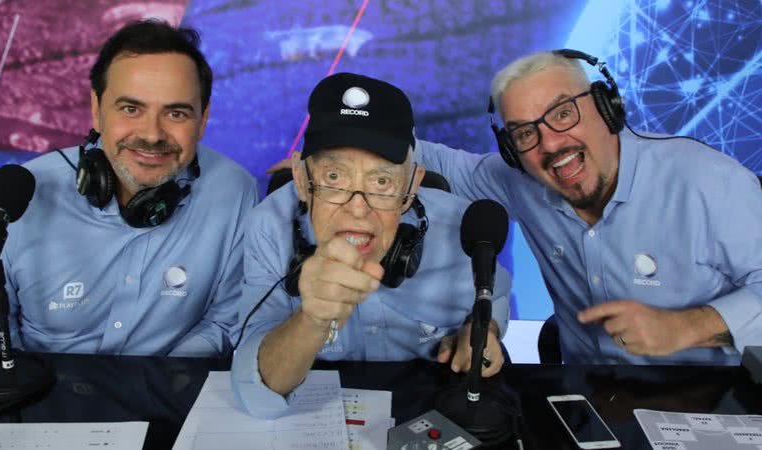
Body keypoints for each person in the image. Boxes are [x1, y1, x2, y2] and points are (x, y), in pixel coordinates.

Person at [416, 49, 762, 365]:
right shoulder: (522, 180)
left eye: (563, 113)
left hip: (706, 401)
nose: (550, 143)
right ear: (512, 151)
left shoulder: (710, 181)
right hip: (587, 401)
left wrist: (688, 326)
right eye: (524, 134)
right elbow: (427, 157)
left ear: (606, 107)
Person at [0, 20, 257, 357]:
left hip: (167, 397)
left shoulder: (234, 191)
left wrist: (155, 385)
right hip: (40, 395)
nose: (151, 134)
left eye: (176, 113)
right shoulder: (20, 195)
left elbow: (226, 322)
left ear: (203, 120)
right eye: (131, 109)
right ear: (97, 110)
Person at [231, 73, 511, 418]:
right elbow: (257, 396)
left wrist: (483, 328)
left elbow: (494, 296)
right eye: (334, 178)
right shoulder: (268, 225)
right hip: (315, 415)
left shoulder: (463, 228)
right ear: (302, 181)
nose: (357, 208)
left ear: (412, 185)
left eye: (381, 181)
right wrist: (313, 318)